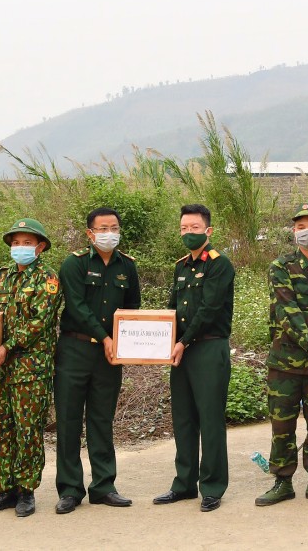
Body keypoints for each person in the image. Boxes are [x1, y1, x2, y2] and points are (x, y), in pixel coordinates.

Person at [53, 207, 141, 513]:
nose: (109, 233)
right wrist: (104, 338)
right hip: (75, 350)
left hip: (109, 356)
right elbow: (76, 307)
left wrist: (125, 344)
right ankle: (69, 489)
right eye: (102, 229)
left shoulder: (126, 266)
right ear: (90, 233)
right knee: (68, 420)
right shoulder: (73, 264)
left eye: (114, 228)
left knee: (102, 420)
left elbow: (132, 308)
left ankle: (104, 486)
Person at [0, 219, 62, 517]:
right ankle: (4, 488)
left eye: (26, 243)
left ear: (40, 247)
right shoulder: (0, 278)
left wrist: (5, 348)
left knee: (28, 430)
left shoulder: (48, 279)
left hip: (30, 368)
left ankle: (26, 490)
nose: (19, 248)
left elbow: (39, 323)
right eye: (15, 243)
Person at [153, 204, 235, 512]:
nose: (189, 233)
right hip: (181, 351)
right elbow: (173, 308)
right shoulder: (181, 266)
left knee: (210, 419)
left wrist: (183, 342)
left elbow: (210, 308)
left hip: (208, 348)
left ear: (208, 231)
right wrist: (164, 339)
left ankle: (212, 486)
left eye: (195, 228)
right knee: (183, 418)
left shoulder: (219, 264)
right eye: (184, 228)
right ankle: (184, 484)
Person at [257, 202, 308, 507]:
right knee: (282, 425)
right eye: (301, 226)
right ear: (293, 231)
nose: (307, 231)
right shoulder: (281, 267)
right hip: (286, 363)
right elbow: (286, 310)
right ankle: (282, 482)